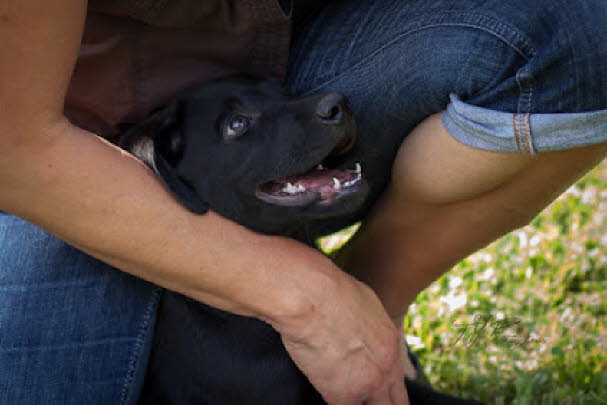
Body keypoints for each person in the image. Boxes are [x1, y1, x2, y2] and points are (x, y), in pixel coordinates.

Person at [0, 0, 605, 404]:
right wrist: (308, 299)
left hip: (271, 83)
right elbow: (14, 151)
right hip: (56, 174)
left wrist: (349, 310)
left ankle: (369, 321)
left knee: (582, 32)